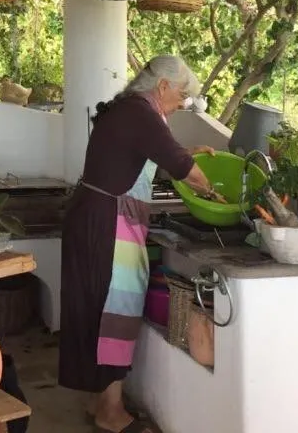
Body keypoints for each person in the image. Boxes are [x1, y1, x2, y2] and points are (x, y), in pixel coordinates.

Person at [58, 56, 214, 433]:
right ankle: (110, 412)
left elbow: (150, 156)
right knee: (115, 306)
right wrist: (214, 192)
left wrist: (186, 155)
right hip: (106, 222)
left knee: (95, 306)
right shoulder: (141, 111)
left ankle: (98, 399)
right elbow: (180, 167)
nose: (181, 104)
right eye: (181, 95)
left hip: (95, 216)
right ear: (162, 86)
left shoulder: (131, 109)